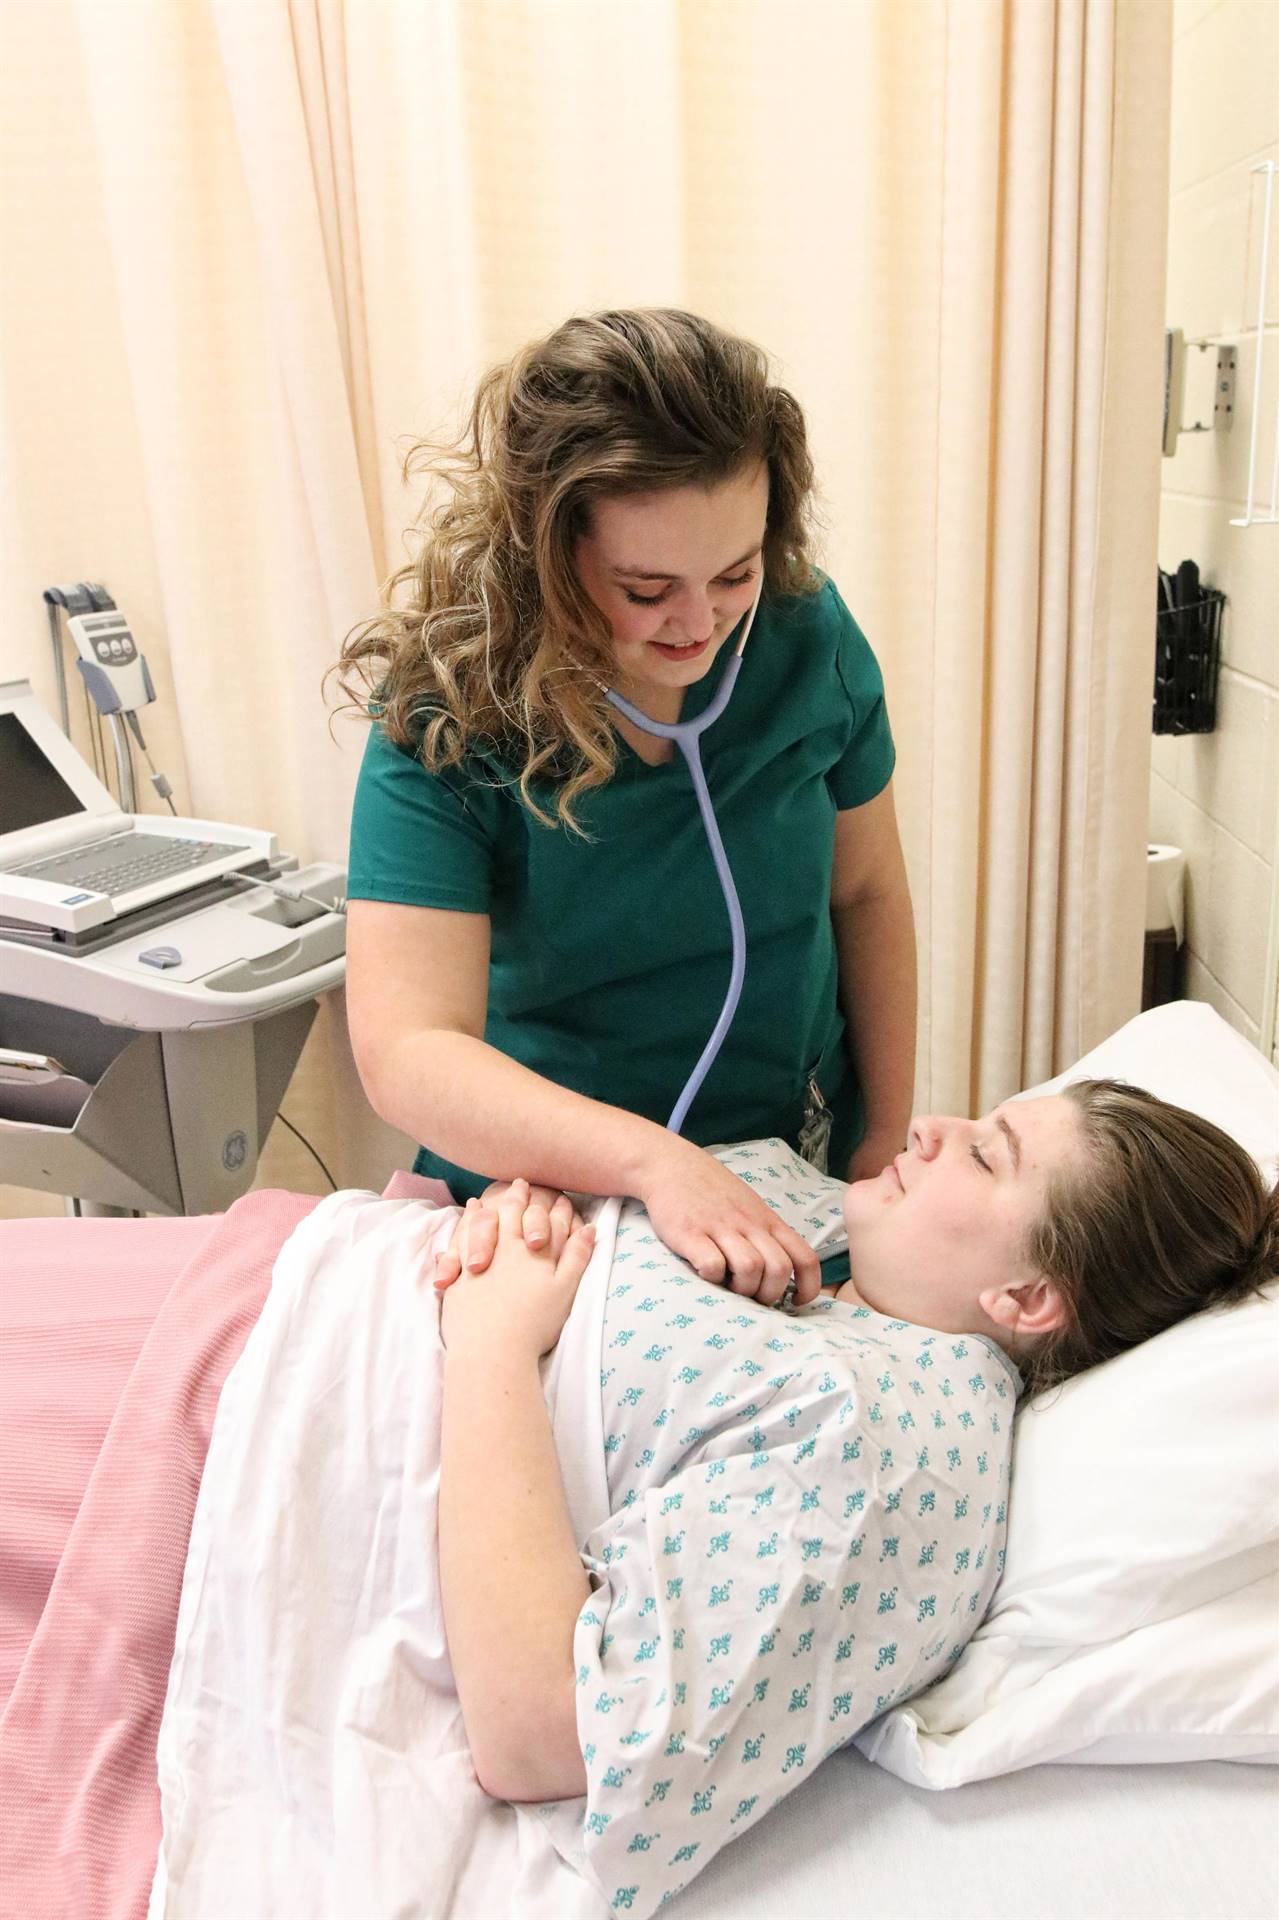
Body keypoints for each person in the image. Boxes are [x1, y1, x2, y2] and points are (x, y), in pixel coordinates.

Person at [434, 1079, 1276, 1916]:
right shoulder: (824, 1218)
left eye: (984, 1156)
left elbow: (543, 1734)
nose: (930, 1126)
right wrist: (529, 1210)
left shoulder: (890, 1460)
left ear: (1025, 1298)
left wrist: (492, 1339)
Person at [335, 307, 917, 1300]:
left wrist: (881, 1145)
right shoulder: (451, 706)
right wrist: (652, 1164)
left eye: (732, 572)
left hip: (790, 1162)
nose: (699, 624)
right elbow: (407, 1049)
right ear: (546, 554)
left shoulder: (804, 637)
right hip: (546, 1201)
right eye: (646, 589)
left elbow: (864, 894)